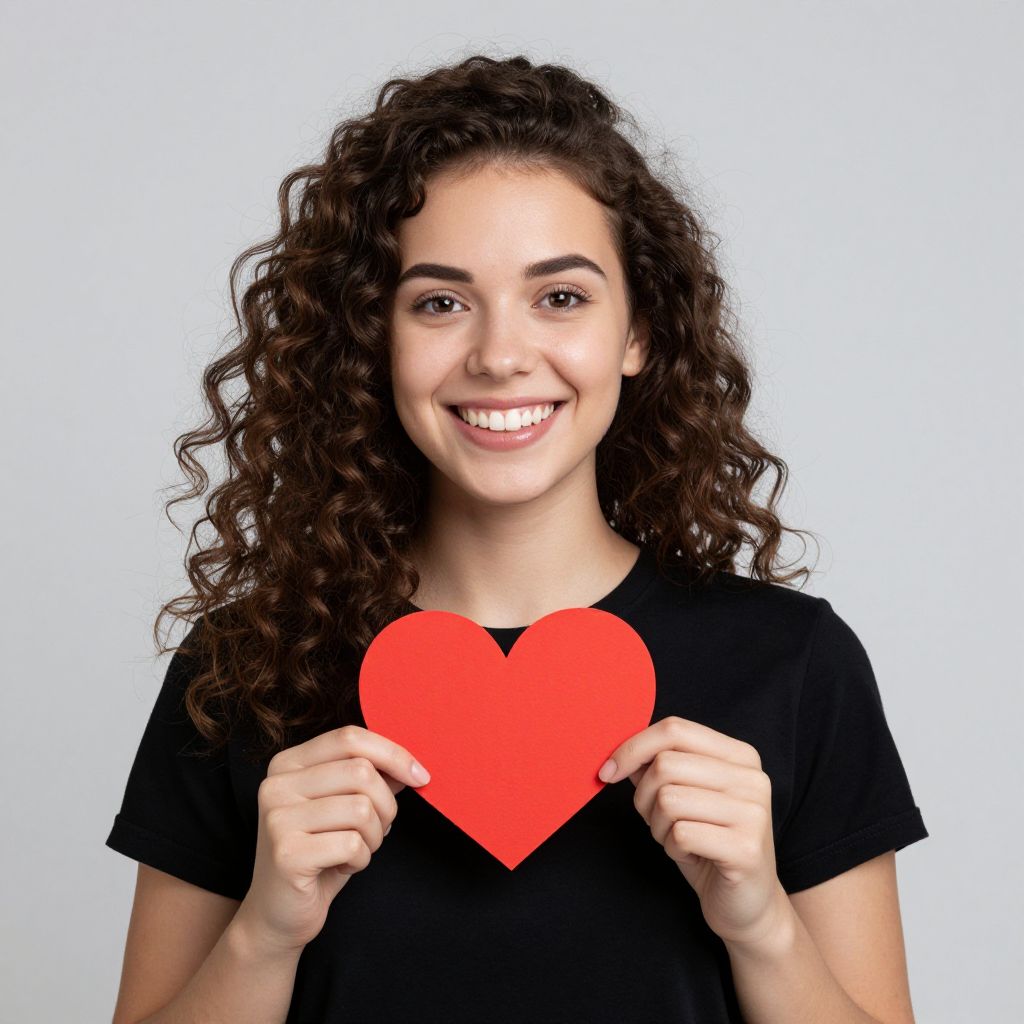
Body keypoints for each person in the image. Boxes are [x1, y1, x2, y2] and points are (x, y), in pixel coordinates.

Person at [106, 53, 928, 1024]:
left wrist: (760, 924)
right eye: (440, 301)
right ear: (375, 337)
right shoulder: (242, 667)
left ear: (638, 332)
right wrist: (263, 932)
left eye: (561, 296)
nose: (499, 354)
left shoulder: (795, 666)